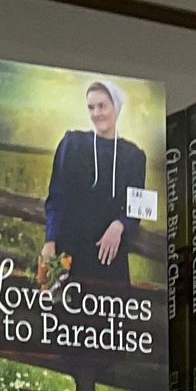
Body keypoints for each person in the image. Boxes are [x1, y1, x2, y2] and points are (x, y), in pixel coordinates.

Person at [41, 80, 146, 294]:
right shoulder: (72, 143)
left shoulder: (134, 156)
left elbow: (138, 208)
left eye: (102, 106)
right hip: (69, 253)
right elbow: (57, 197)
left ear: (116, 107)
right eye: (91, 107)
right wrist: (50, 241)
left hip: (109, 259)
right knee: (64, 310)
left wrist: (120, 224)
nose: (96, 113)